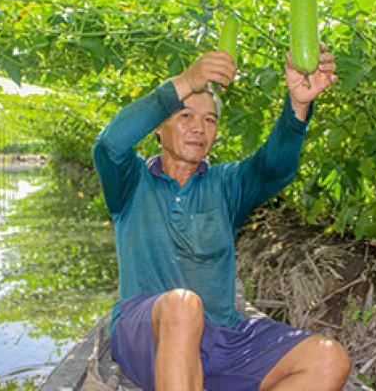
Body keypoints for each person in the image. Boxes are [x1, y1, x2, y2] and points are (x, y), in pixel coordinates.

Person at [92, 44, 352, 391]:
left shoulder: (226, 185)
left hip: (223, 337)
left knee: (329, 358)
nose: (198, 128)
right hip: (148, 333)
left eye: (209, 120)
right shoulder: (131, 182)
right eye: (185, 115)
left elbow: (273, 168)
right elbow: (109, 145)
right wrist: (186, 81)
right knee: (183, 306)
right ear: (158, 127)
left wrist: (298, 106)